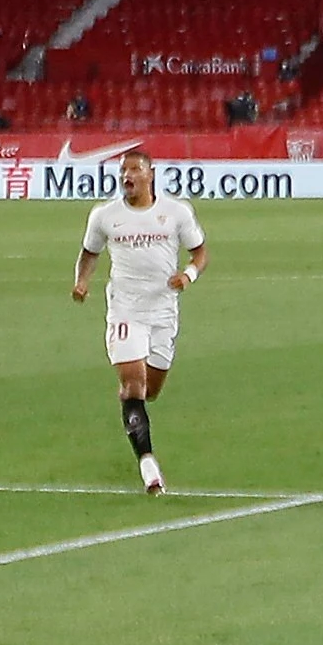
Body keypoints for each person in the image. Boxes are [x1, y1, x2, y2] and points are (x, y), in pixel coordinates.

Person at [69, 149, 203, 491]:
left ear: (150, 174)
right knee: (133, 386)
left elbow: (199, 253)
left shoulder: (175, 212)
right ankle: (148, 466)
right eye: (123, 170)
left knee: (150, 391)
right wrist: (82, 281)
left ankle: (133, 409)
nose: (127, 176)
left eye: (134, 169)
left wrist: (187, 275)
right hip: (125, 310)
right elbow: (89, 253)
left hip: (163, 311)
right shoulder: (104, 216)